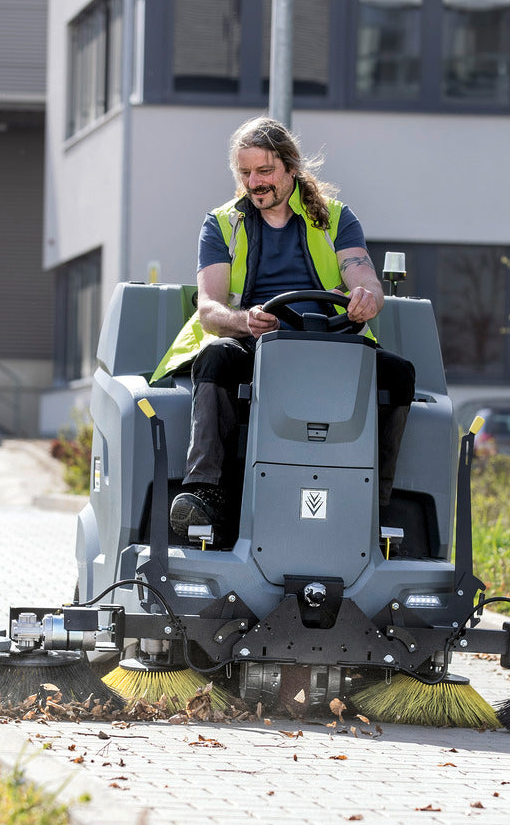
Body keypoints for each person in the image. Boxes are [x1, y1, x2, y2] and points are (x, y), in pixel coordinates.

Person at [150, 116, 415, 542]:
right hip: (255, 344)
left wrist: (368, 298)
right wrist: (244, 320)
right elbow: (211, 309)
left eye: (265, 171)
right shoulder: (221, 224)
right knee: (215, 356)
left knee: (399, 373)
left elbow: (363, 277)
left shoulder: (336, 218)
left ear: (292, 168)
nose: (254, 182)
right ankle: (205, 494)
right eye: (245, 173)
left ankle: (375, 504)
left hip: (331, 342)